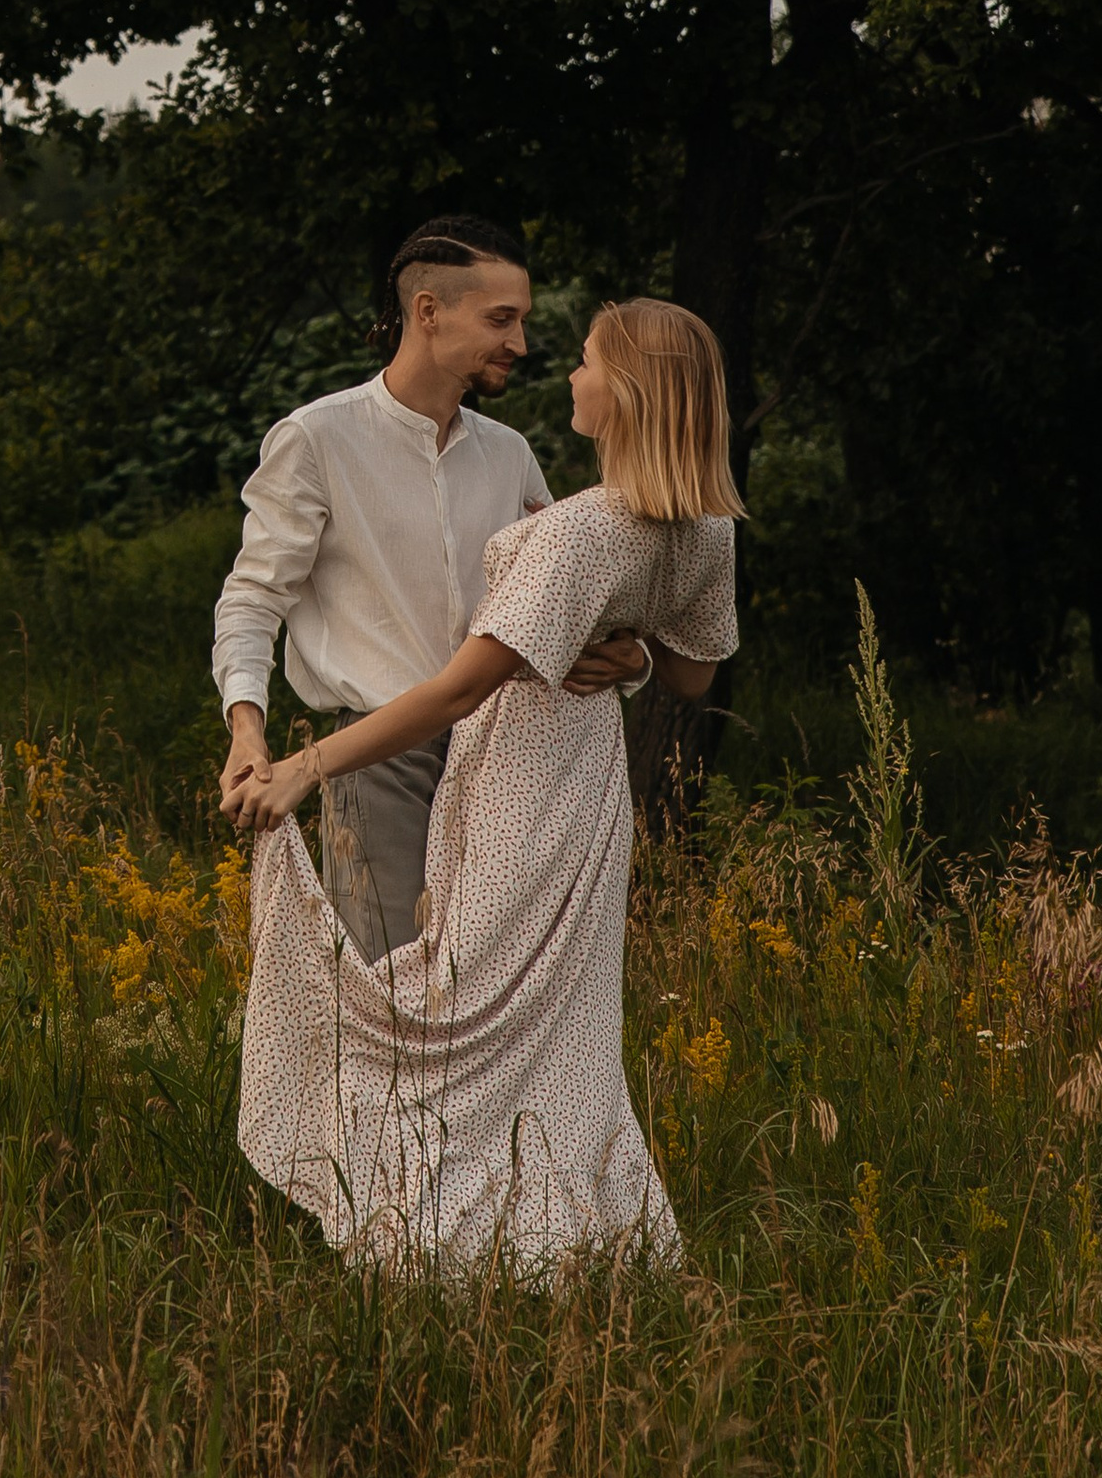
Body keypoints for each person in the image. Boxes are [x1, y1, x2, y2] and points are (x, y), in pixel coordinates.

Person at [226, 294, 743, 1272]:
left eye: (588, 362)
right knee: (548, 1026)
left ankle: (441, 1245)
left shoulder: (586, 530)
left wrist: (303, 764)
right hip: (587, 786)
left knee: (449, 1017)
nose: (572, 376)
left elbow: (458, 689)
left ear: (628, 391)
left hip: (519, 784)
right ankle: (567, 1239)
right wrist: (628, 652)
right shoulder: (706, 525)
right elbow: (693, 674)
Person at [213, 222, 649, 966]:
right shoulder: (318, 438)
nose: (519, 342)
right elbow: (253, 598)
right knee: (393, 1004)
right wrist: (246, 728)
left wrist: (632, 658)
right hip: (380, 762)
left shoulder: (509, 454)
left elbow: (573, 595)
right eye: (500, 319)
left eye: (523, 321)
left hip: (509, 762)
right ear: (427, 311)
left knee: (486, 998)